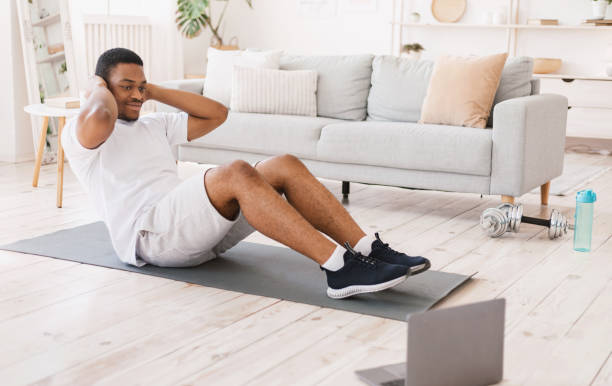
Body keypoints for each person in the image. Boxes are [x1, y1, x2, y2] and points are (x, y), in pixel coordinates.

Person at [61, 47, 430, 299]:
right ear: (102, 87)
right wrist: (97, 87)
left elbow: (217, 114)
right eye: (126, 88)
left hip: (191, 232)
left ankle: (368, 250)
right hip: (150, 236)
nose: (137, 96)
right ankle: (339, 267)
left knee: (283, 164)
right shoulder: (83, 134)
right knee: (236, 171)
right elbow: (101, 115)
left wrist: (150, 90)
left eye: (141, 87)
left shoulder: (154, 124)